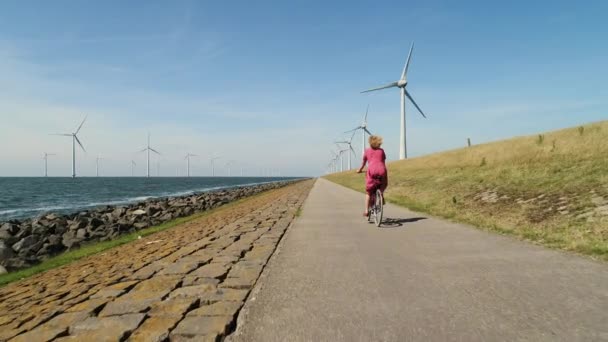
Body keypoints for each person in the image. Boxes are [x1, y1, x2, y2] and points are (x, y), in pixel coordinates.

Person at [356, 135, 388, 216]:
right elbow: (383, 161)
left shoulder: (367, 151)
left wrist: (359, 170)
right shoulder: (382, 151)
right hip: (382, 170)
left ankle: (366, 211)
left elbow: (363, 163)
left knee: (368, 192)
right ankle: (381, 194)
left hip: (372, 171)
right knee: (383, 183)